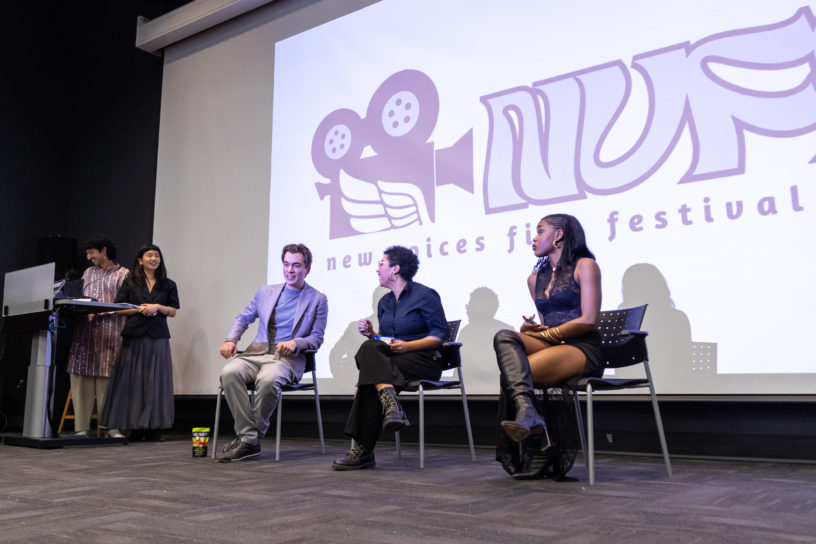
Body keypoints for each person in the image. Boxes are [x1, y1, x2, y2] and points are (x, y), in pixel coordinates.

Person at [494, 213, 602, 479]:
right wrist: (533, 331)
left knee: (516, 372)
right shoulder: (534, 278)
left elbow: (588, 319)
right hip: (553, 341)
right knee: (505, 336)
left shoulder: (585, 265)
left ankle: (539, 436)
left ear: (559, 235)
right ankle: (529, 415)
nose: (534, 238)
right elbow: (546, 323)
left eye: (540, 231)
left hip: (581, 347)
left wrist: (549, 335)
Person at [332, 245, 449, 470]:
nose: (377, 269)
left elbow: (440, 336)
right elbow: (386, 340)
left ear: (395, 269)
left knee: (370, 374)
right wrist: (373, 334)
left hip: (423, 359)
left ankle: (364, 450)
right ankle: (390, 402)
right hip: (394, 361)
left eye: (381, 264)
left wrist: (408, 346)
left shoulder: (425, 295)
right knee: (371, 349)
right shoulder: (384, 303)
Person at [217, 243, 328, 462]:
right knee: (229, 372)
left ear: (308, 269)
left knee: (268, 379)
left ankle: (248, 439)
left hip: (286, 361)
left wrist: (296, 342)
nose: (290, 270)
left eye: (296, 265)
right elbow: (243, 318)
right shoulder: (265, 292)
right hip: (256, 354)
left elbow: (317, 337)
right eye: (286, 264)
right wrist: (231, 340)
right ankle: (250, 439)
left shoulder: (317, 299)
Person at [100, 244, 180, 442]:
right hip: (134, 335)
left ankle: (153, 427)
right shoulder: (130, 281)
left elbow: (173, 311)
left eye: (157, 256)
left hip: (158, 336)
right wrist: (139, 309)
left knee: (155, 382)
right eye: (150, 255)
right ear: (140, 260)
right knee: (133, 381)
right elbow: (119, 309)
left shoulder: (168, 284)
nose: (154, 259)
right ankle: (134, 427)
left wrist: (158, 307)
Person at [65, 234, 129, 438]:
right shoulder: (87, 273)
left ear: (103, 251)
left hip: (110, 333)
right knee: (80, 377)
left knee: (107, 380)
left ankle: (110, 427)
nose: (88, 256)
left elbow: (126, 305)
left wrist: (102, 310)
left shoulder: (124, 274)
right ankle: (81, 428)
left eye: (91, 252)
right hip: (85, 332)